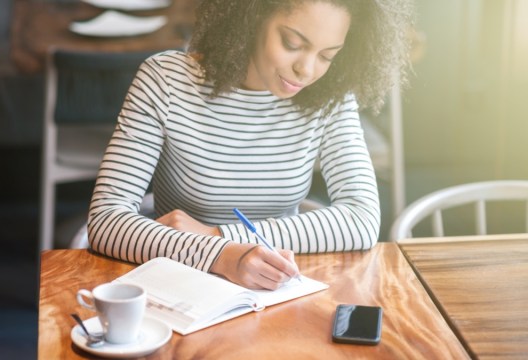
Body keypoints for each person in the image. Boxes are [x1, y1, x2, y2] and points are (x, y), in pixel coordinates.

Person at [88, 0, 414, 290]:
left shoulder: (331, 96)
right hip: (181, 287)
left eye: (328, 55)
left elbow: (362, 220)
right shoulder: (166, 80)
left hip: (277, 287)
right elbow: (105, 221)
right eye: (292, 43)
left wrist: (216, 235)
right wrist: (225, 257)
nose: (308, 69)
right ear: (251, 15)